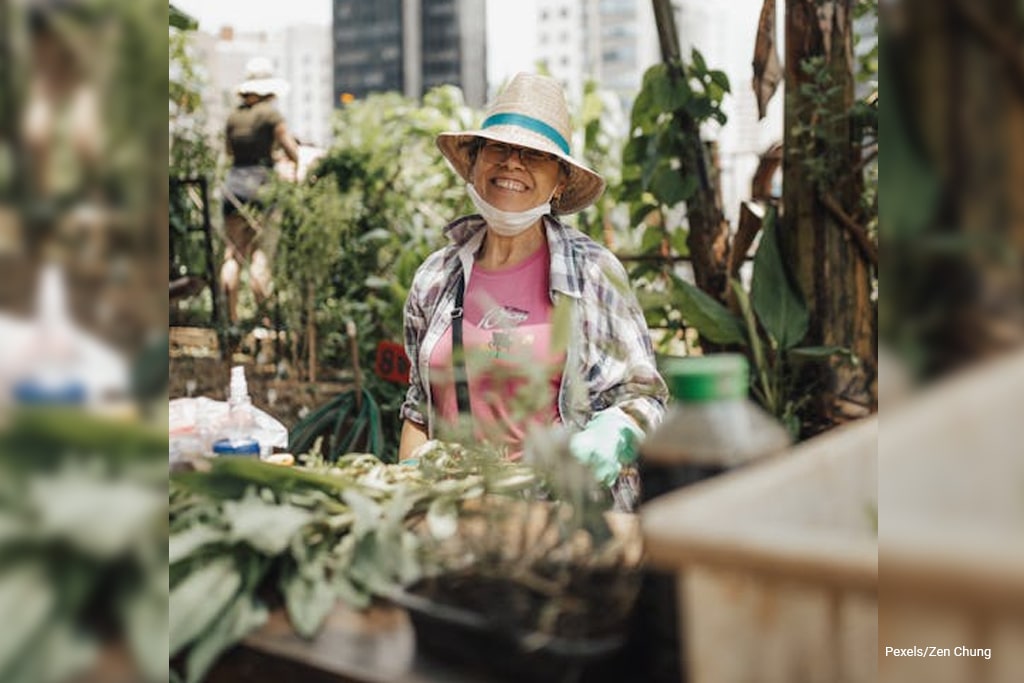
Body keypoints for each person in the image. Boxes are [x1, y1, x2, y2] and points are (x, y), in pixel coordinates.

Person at [399, 72, 668, 509]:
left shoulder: (594, 273)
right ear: (474, 161)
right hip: (456, 516)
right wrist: (407, 482)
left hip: (560, 520)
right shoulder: (435, 278)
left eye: (533, 155)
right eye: (499, 148)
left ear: (560, 181)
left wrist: (614, 434)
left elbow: (647, 400)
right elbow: (417, 407)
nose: (512, 164)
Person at [220, 57, 299, 324]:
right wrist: (292, 162)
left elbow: (230, 152)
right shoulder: (270, 114)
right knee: (261, 257)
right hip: (262, 190)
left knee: (233, 255)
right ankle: (265, 322)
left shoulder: (233, 117)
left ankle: (231, 323)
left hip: (233, 189)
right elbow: (290, 149)